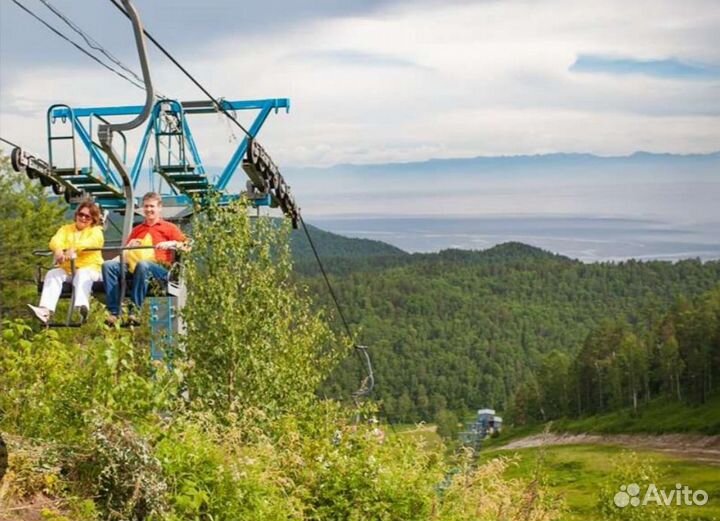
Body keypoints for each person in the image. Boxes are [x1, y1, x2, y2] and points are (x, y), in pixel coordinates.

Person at [102, 192, 186, 325]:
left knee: (143, 265)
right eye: (146, 206)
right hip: (136, 267)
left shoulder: (169, 228)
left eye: (152, 206)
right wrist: (128, 247)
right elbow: (126, 254)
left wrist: (171, 243)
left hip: (160, 270)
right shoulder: (137, 230)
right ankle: (114, 312)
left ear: (159, 208)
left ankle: (134, 310)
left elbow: (187, 246)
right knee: (108, 266)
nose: (149, 210)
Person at [27, 200, 104, 325]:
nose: (83, 218)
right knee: (53, 273)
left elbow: (91, 243)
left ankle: (82, 307)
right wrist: (58, 250)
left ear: (92, 220)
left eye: (87, 216)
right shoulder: (66, 229)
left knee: (82, 274)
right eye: (81, 214)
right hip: (68, 269)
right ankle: (45, 311)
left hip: (90, 269)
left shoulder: (96, 232)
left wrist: (73, 249)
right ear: (76, 215)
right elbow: (55, 240)